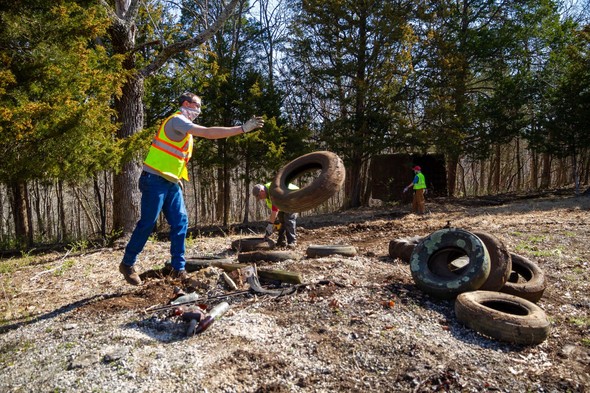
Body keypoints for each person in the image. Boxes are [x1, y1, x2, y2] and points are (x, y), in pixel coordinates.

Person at [119, 92, 264, 286]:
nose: (199, 110)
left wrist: (177, 178)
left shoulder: (185, 131)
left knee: (180, 222)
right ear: (186, 103)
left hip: (170, 182)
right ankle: (128, 263)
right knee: (148, 222)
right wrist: (242, 129)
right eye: (197, 105)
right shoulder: (177, 121)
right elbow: (208, 132)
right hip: (154, 180)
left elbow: (175, 157)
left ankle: (178, 268)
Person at [252, 183, 298, 248]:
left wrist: (270, 225)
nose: (261, 199)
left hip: (293, 196)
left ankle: (292, 242)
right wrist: (271, 225)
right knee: (281, 220)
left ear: (262, 191)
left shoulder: (272, 192)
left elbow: (275, 211)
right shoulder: (267, 194)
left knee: (288, 219)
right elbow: (275, 211)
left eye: (259, 196)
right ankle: (281, 241)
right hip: (284, 202)